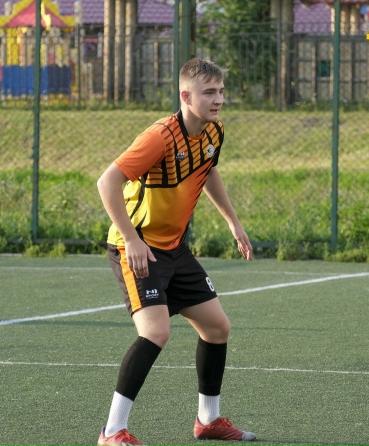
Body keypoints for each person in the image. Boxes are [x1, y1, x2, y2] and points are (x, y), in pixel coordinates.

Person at [96, 58, 256, 445]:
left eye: (221, 92)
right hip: (138, 246)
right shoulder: (160, 137)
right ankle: (111, 431)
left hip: (174, 248)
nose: (218, 100)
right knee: (156, 332)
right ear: (185, 96)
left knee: (217, 327)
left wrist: (233, 222)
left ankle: (208, 421)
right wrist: (132, 239)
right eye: (209, 93)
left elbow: (208, 170)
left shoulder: (214, 131)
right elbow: (107, 182)